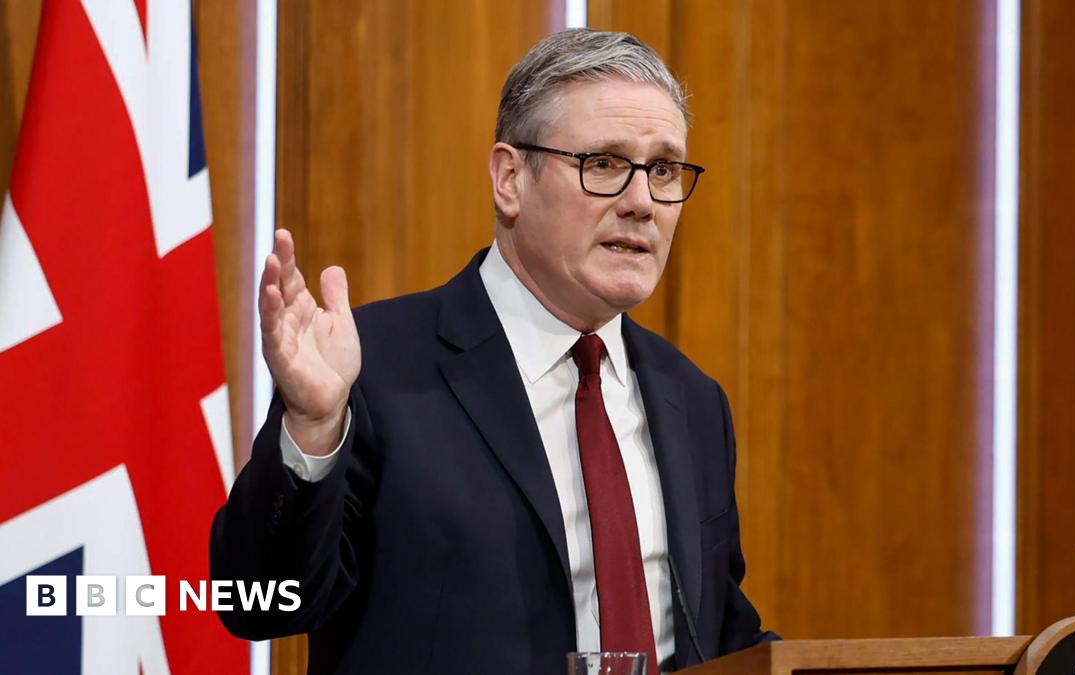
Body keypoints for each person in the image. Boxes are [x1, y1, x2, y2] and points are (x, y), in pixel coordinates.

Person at [210, 28, 776, 674]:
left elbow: (723, 636)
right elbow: (257, 605)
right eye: (605, 164)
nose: (642, 202)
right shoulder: (374, 370)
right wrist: (311, 428)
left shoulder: (693, 401)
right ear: (510, 179)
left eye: (665, 169)